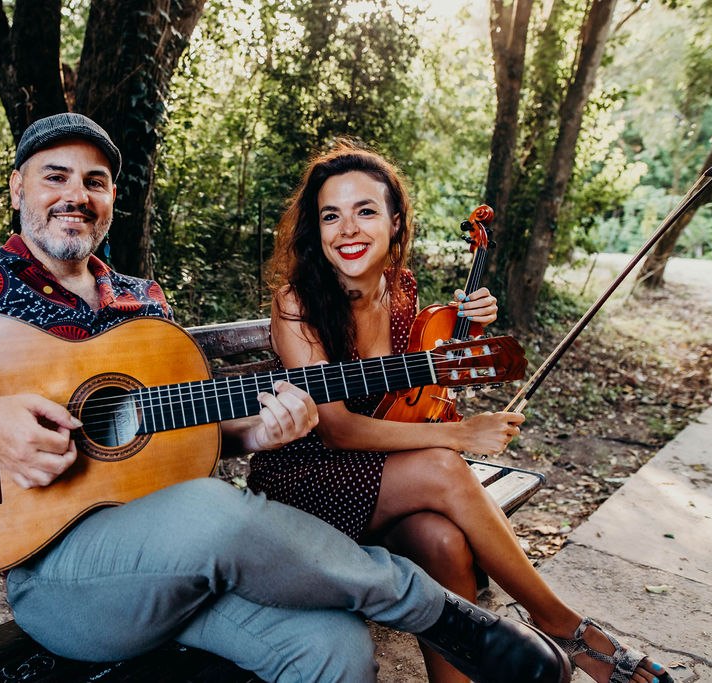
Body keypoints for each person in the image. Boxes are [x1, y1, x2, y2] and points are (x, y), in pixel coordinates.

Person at [0, 113, 570, 683]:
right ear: (18, 185)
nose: (75, 193)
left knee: (335, 648)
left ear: (112, 199)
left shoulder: (139, 300)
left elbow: (187, 428)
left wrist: (260, 429)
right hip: (63, 580)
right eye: (54, 175)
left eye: (95, 180)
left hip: (179, 566)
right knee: (213, 512)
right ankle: (435, 609)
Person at [248, 139, 674, 683]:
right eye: (331, 215)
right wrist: (460, 435)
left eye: (365, 211)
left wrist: (466, 326)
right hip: (305, 485)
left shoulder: (400, 290)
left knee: (443, 542)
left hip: (379, 485)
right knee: (446, 465)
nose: (347, 229)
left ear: (396, 223)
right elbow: (336, 428)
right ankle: (564, 625)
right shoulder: (298, 302)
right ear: (317, 229)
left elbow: (418, 393)